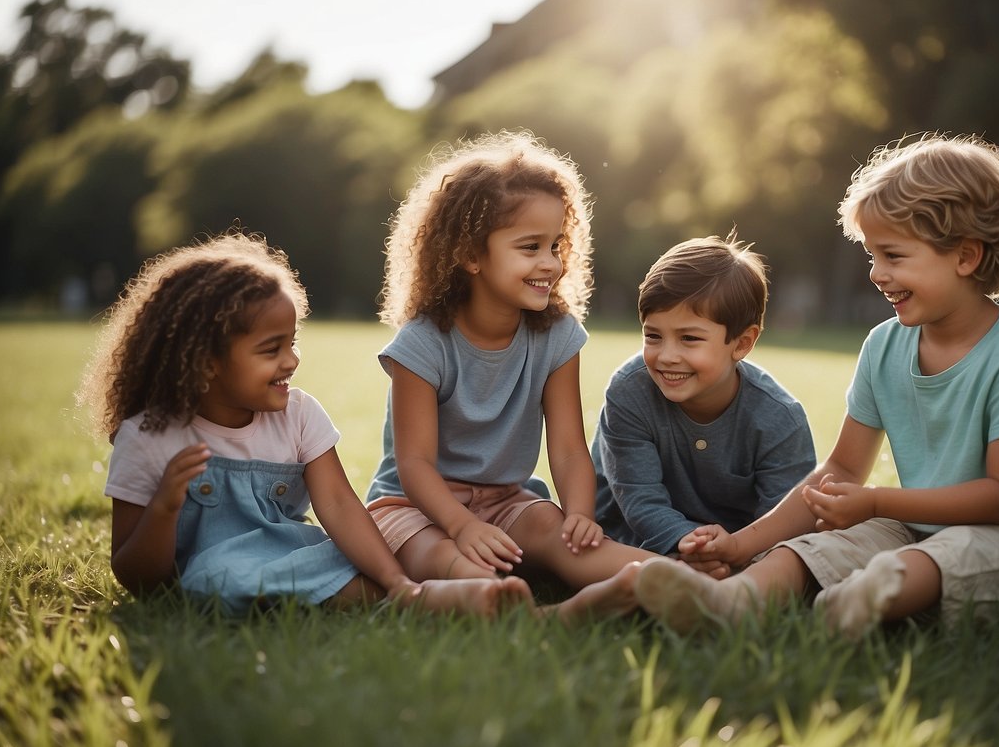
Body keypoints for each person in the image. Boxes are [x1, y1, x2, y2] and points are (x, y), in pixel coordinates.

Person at [634, 133, 999, 637]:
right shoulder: (885, 346)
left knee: (946, 555)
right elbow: (842, 469)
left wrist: (877, 502)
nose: (876, 274)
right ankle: (732, 600)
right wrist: (743, 544)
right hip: (920, 524)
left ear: (965, 257)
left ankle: (864, 603)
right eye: (872, 255)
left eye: (893, 256)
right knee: (827, 543)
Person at [79, 232, 533, 616]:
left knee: (374, 554)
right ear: (204, 362)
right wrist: (163, 508)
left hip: (295, 552)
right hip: (220, 572)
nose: (291, 361)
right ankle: (439, 602)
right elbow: (138, 580)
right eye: (271, 349)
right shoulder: (150, 437)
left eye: (292, 343)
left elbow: (338, 506)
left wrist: (393, 576)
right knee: (221, 575)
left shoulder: (298, 415)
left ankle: (417, 595)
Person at [364, 130, 648, 621]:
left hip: (508, 501)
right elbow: (413, 465)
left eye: (556, 244)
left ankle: (678, 579)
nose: (550, 263)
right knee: (440, 557)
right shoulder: (423, 343)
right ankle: (536, 613)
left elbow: (567, 448)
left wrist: (580, 515)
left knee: (562, 538)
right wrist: (459, 525)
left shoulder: (557, 336)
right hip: (416, 507)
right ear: (471, 256)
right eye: (529, 246)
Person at [592, 234, 815, 568]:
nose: (667, 356)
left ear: (741, 343)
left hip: (735, 545)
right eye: (653, 336)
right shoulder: (630, 391)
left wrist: (729, 551)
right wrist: (686, 542)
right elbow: (638, 498)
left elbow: (784, 517)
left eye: (689, 339)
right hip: (629, 536)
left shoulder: (779, 419)